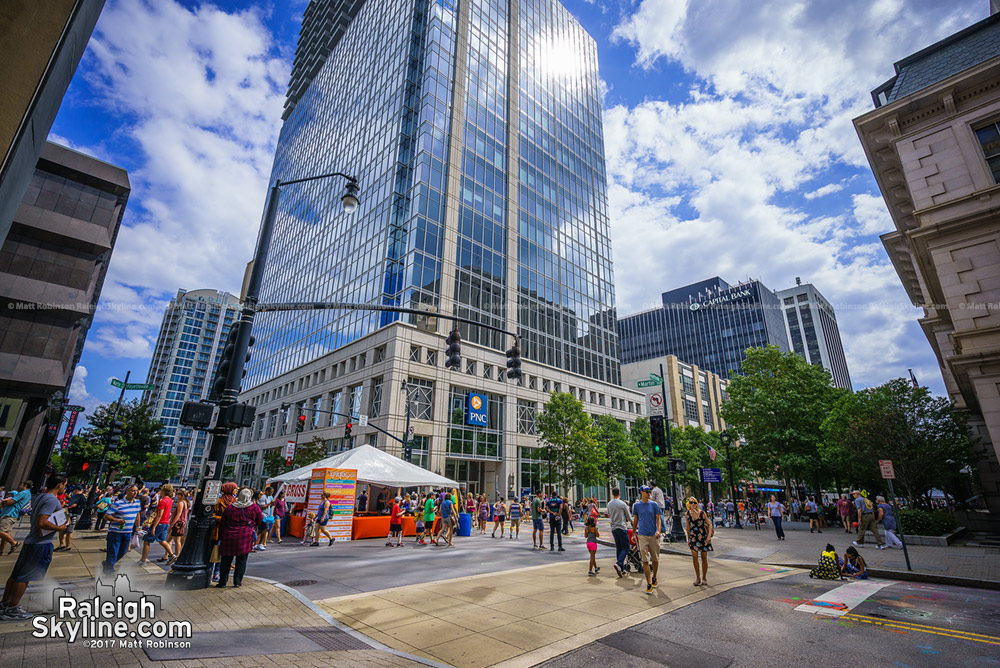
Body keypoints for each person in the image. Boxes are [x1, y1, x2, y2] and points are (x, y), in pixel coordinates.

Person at [0, 475, 68, 620]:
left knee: (16, 575)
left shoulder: (41, 497)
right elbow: (42, 522)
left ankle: (5, 604)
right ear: (59, 485)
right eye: (64, 485)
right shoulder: (51, 499)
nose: (65, 487)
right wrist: (59, 527)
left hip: (32, 541)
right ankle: (13, 608)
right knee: (24, 577)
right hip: (40, 543)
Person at [216, 488, 263, 588]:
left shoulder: (230, 508)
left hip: (229, 536)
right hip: (245, 537)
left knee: (226, 561)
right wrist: (252, 527)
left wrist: (220, 537)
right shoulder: (254, 508)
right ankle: (237, 582)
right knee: (242, 560)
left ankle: (223, 582)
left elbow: (223, 523)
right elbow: (260, 519)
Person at [102, 485, 140, 575]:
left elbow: (137, 515)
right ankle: (109, 571)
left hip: (128, 532)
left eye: (136, 491)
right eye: (133, 491)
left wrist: (138, 526)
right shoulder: (118, 503)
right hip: (116, 532)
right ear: (127, 492)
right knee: (113, 552)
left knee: (123, 551)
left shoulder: (137, 502)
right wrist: (116, 520)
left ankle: (108, 564)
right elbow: (106, 515)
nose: (135, 493)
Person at [632, 485, 662, 595]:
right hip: (642, 535)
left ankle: (654, 577)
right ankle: (649, 583)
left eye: (649, 491)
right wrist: (633, 532)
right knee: (645, 560)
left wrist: (658, 530)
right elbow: (635, 520)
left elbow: (658, 519)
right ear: (641, 492)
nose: (648, 493)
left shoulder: (654, 505)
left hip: (653, 535)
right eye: (646, 491)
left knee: (655, 558)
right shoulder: (636, 506)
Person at [140, 484, 174, 564]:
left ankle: (143, 560)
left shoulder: (163, 501)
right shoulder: (169, 500)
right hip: (166, 523)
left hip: (160, 523)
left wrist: (154, 526)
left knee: (146, 540)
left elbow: (159, 515)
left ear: (163, 491)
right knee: (162, 541)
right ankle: (172, 555)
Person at [211, 482, 238, 582]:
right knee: (215, 552)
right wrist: (223, 519)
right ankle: (211, 571)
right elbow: (212, 515)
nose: (236, 491)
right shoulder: (219, 501)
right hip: (219, 531)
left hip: (229, 531)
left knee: (224, 554)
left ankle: (217, 572)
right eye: (235, 489)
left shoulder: (235, 501)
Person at [685, 497, 713, 586]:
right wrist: (688, 538)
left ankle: (704, 577)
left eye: (694, 502)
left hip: (703, 537)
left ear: (697, 504)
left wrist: (708, 536)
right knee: (694, 556)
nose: (693, 504)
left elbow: (709, 525)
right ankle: (698, 578)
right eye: (691, 502)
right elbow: (688, 527)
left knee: (704, 557)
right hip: (693, 537)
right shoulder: (687, 514)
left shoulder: (702, 513)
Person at [0, 481, 31, 557]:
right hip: (14, 515)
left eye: (21, 484)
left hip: (10, 513)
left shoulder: (24, 493)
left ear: (25, 485)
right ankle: (1, 550)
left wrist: (4, 501)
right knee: (6, 533)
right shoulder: (28, 494)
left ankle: (14, 543)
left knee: (1, 531)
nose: (19, 486)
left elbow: (11, 501)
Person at [607, 487, 632, 577]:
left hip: (614, 527)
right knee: (626, 547)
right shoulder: (622, 504)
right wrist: (633, 523)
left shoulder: (609, 504)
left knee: (619, 548)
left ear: (612, 494)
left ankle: (620, 568)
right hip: (621, 527)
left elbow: (609, 513)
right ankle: (619, 563)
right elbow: (628, 516)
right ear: (619, 494)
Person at [57, 486, 87, 552]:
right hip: (77, 515)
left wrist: (65, 505)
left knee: (67, 530)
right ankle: (64, 545)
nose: (72, 492)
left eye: (73, 491)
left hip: (73, 515)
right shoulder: (83, 497)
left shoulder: (77, 496)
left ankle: (65, 546)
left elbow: (71, 504)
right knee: (66, 530)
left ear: (76, 490)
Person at [168, 488, 190, 562]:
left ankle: (176, 556)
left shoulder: (181, 503)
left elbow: (178, 514)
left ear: (182, 495)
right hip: (182, 523)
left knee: (176, 540)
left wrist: (172, 524)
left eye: (178, 494)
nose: (177, 496)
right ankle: (172, 555)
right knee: (169, 540)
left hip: (177, 523)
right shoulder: (186, 503)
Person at [255, 486, 275, 551]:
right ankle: (259, 543)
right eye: (270, 492)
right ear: (267, 491)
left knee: (261, 530)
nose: (271, 494)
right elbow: (262, 507)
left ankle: (256, 543)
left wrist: (272, 504)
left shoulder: (269, 497)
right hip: (262, 515)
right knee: (265, 529)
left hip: (266, 515)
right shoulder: (263, 497)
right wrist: (270, 503)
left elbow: (269, 506)